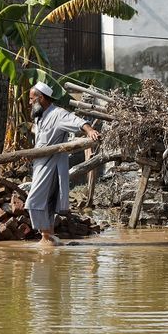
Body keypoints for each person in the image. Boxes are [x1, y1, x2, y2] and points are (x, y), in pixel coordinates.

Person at [24, 82, 100, 245]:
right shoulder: (40, 115)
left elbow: (77, 121)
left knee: (33, 201)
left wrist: (90, 131)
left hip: (52, 165)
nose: (29, 102)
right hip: (39, 165)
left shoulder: (58, 114)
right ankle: (49, 237)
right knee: (47, 201)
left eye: (31, 99)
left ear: (41, 98)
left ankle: (46, 237)